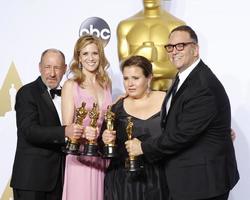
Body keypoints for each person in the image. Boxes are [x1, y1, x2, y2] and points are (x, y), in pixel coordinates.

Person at [125, 25, 239, 200]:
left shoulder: (202, 85)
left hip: (204, 184)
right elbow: (175, 123)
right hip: (190, 180)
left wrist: (143, 147)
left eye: (181, 46)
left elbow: (181, 135)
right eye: (170, 47)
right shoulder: (184, 77)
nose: (174, 51)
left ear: (195, 50)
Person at [10, 49, 83, 200]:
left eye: (57, 68)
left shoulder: (69, 95)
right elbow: (29, 131)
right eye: (47, 67)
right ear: (39, 67)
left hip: (59, 180)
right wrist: (64, 132)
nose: (52, 73)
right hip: (31, 181)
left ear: (64, 69)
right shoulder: (27, 92)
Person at [101, 55, 168, 200]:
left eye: (135, 78)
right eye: (126, 78)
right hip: (124, 183)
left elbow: (186, 129)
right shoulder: (116, 108)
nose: (129, 84)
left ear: (149, 78)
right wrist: (105, 138)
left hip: (160, 179)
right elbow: (103, 147)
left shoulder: (168, 101)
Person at [61, 35, 112, 200]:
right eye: (85, 54)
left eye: (95, 53)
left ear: (100, 56)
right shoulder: (71, 85)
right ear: (78, 58)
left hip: (100, 157)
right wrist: (84, 134)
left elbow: (107, 120)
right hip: (79, 156)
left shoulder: (106, 84)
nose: (91, 58)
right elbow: (67, 127)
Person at [117, 0, 185, 91]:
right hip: (135, 99)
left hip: (166, 95)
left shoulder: (177, 25)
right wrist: (140, 54)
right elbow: (123, 65)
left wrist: (146, 66)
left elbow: (180, 66)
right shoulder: (125, 26)